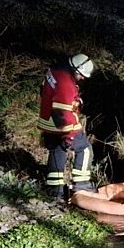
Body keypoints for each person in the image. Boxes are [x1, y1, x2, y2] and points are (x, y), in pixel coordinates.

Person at [38, 53, 96, 202]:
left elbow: (45, 92)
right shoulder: (65, 83)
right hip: (63, 125)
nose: (82, 78)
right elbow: (62, 111)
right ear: (76, 68)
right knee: (84, 149)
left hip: (49, 122)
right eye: (81, 75)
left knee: (57, 150)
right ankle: (82, 185)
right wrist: (69, 134)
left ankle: (55, 190)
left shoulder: (54, 72)